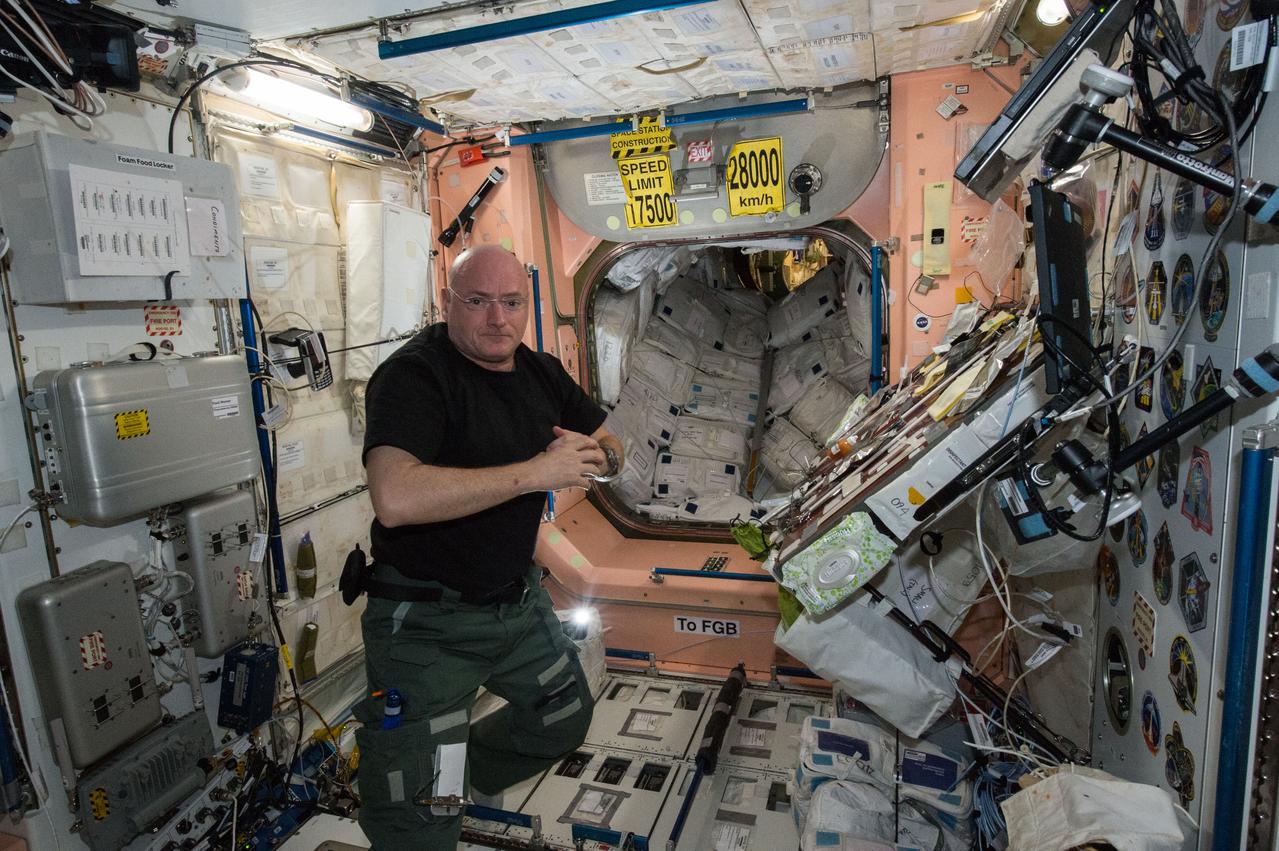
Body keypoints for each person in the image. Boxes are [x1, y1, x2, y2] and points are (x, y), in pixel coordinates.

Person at [354, 245, 624, 849]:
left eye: (511, 302)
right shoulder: (415, 376)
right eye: (477, 302)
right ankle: (435, 785)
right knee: (424, 824)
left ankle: (460, 767)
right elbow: (394, 496)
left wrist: (599, 459)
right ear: (446, 301)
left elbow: (608, 443)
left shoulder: (537, 372)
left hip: (515, 606)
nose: (497, 319)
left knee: (563, 719)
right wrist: (534, 472)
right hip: (427, 624)